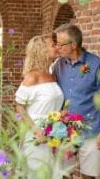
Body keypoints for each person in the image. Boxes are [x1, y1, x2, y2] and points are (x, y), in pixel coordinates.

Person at [52, 23, 100, 179]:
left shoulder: (97, 65)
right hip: (65, 131)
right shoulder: (58, 65)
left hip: (92, 131)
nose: (57, 47)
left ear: (73, 45)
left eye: (61, 43)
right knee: (65, 174)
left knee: (89, 176)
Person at [15, 34, 65, 179]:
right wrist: (36, 130)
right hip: (37, 133)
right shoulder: (32, 77)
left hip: (54, 131)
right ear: (41, 50)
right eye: (52, 45)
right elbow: (19, 106)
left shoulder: (51, 74)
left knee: (53, 172)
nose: (56, 47)